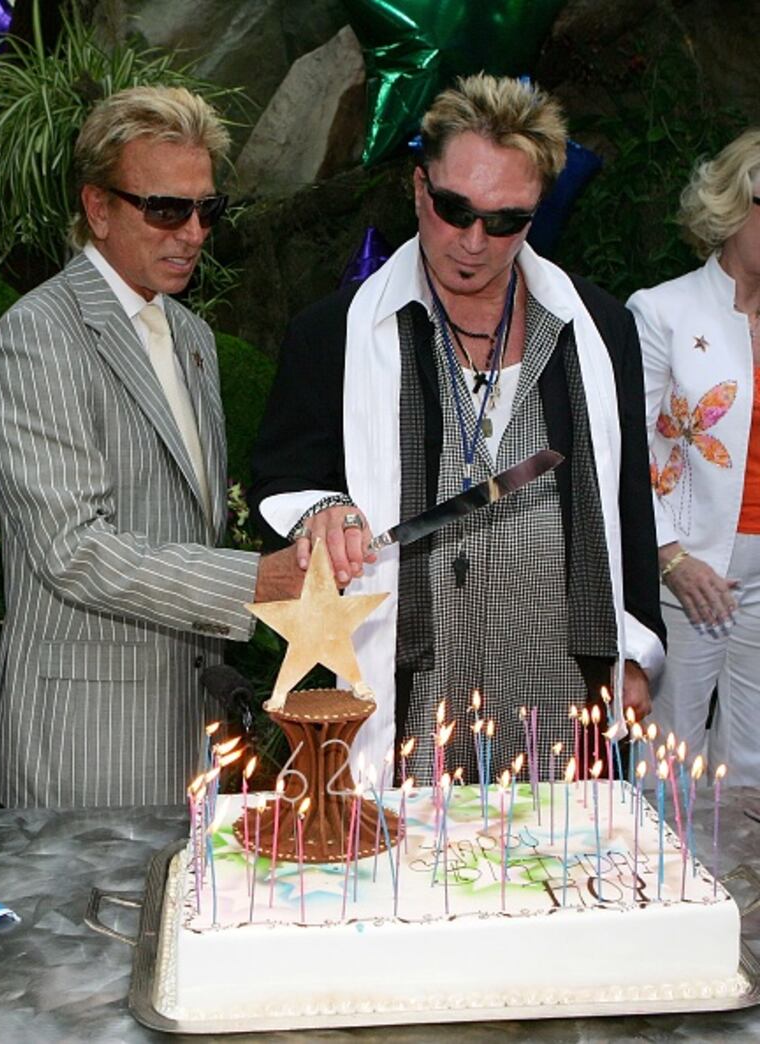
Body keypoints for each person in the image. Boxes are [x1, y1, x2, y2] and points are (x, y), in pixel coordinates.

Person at [249, 74, 665, 783]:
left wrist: (634, 651)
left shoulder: (598, 329)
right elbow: (282, 478)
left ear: (535, 214)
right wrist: (325, 512)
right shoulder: (332, 334)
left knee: (558, 854)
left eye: (505, 221)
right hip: (408, 691)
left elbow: (627, 496)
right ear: (419, 187)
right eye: (454, 210)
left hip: (559, 687)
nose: (474, 242)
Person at [0, 86, 302, 808]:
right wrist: (255, 581)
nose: (194, 232)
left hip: (192, 740)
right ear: (98, 208)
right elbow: (72, 548)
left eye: (207, 209)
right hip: (83, 749)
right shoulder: (39, 335)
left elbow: (188, 526)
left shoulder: (192, 337)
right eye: (166, 209)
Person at [628, 130, 760, 784]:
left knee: (753, 771)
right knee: (666, 766)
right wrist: (670, 558)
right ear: (733, 202)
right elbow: (625, 454)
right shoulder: (662, 312)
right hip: (684, 572)